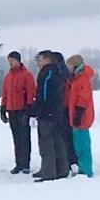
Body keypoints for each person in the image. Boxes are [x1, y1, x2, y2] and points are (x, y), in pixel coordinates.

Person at [28, 50, 70, 181]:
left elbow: (44, 93)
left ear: (47, 59)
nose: (38, 63)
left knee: (46, 143)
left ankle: (49, 172)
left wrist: (36, 108)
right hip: (58, 111)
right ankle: (62, 170)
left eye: (39, 60)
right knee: (58, 142)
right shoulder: (61, 70)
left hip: (47, 112)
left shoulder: (47, 72)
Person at [0, 51, 36, 174]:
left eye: (12, 61)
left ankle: (25, 164)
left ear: (18, 61)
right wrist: (3, 108)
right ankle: (18, 163)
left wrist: (28, 108)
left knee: (24, 137)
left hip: (22, 110)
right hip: (11, 110)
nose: (10, 63)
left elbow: (31, 92)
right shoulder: (8, 77)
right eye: (9, 61)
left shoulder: (27, 75)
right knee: (16, 138)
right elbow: (5, 93)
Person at [65, 54, 96, 178]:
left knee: (83, 145)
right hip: (77, 116)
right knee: (79, 144)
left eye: (70, 66)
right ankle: (83, 168)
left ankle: (86, 169)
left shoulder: (82, 80)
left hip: (82, 117)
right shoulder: (76, 79)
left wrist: (78, 112)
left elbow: (82, 98)